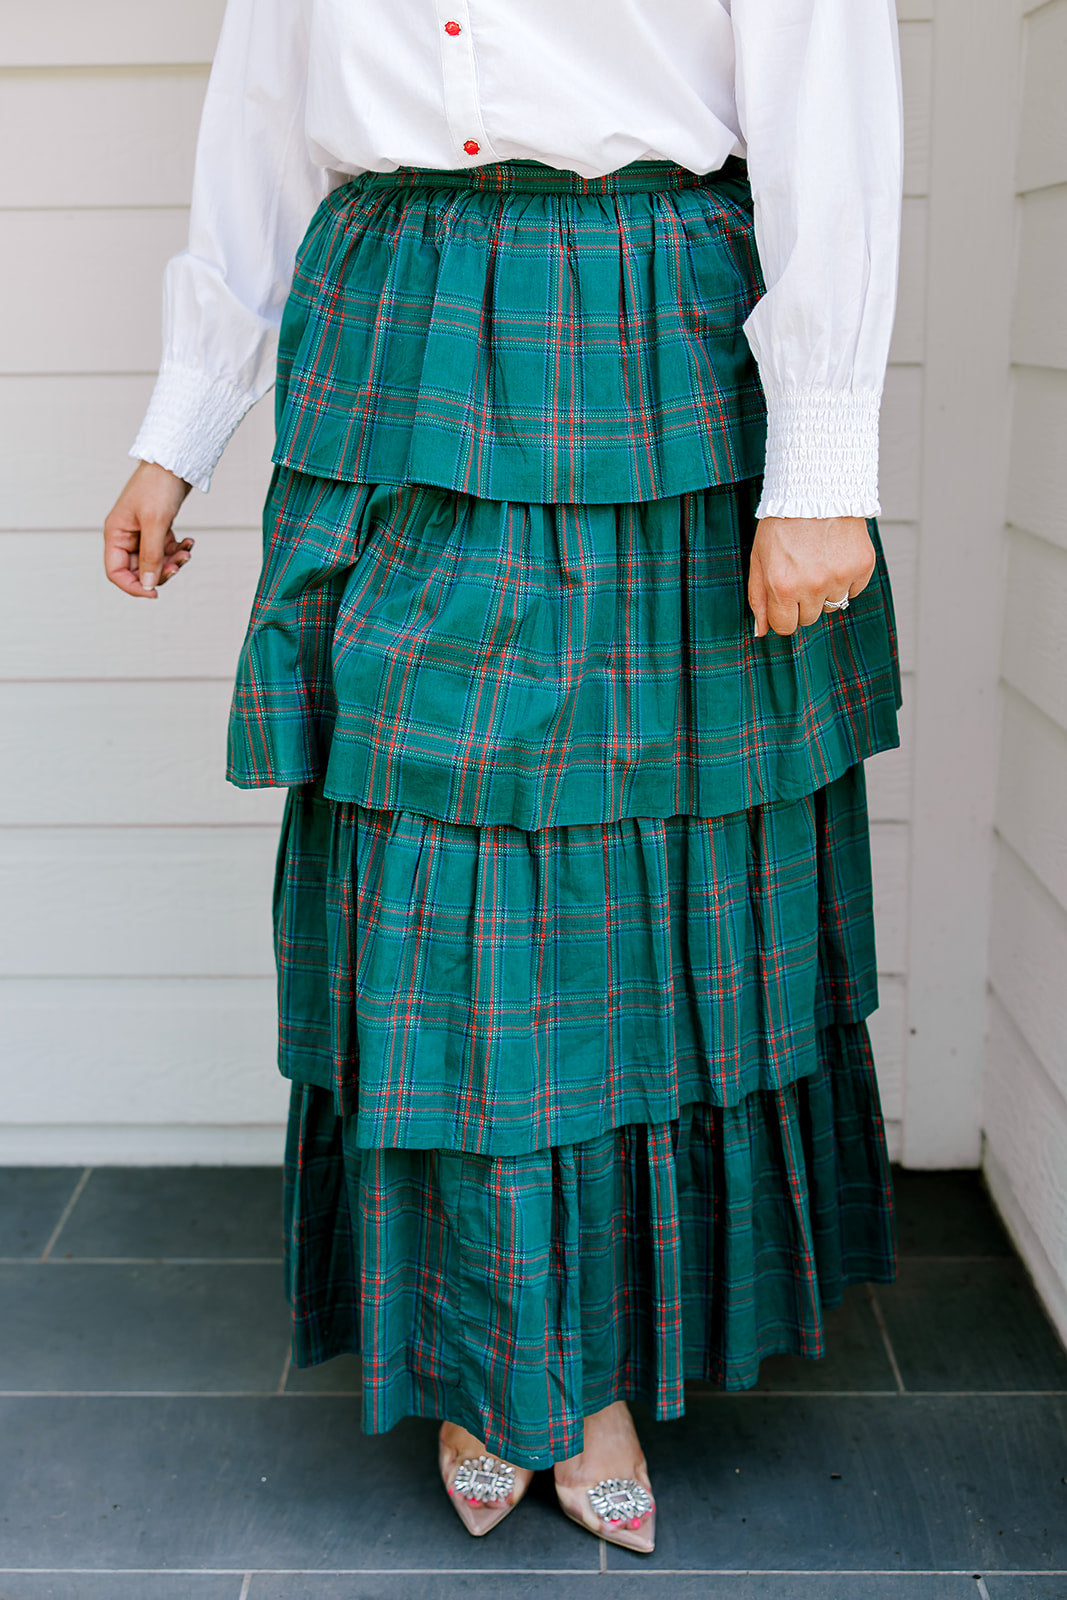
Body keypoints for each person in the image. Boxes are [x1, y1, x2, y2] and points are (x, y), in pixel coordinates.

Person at [103, 0, 905, 1555]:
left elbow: (829, 101)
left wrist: (820, 463)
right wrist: (180, 426)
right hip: (391, 339)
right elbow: (262, 121)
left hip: (644, 333)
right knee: (428, 870)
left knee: (629, 887)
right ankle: (494, 1355)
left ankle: (586, 1372)